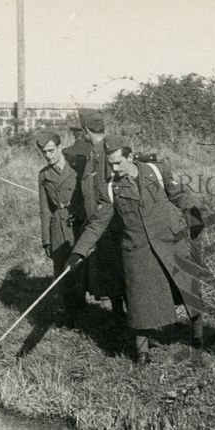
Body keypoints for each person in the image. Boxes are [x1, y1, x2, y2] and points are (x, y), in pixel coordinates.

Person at [65, 136, 207, 367]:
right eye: (111, 164)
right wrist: (78, 252)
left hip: (170, 242)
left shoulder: (157, 171)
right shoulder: (110, 188)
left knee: (189, 291)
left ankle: (198, 339)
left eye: (119, 163)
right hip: (137, 250)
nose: (115, 168)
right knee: (140, 302)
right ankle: (142, 354)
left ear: (130, 157)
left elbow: (180, 195)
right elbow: (98, 223)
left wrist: (195, 220)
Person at [72, 109, 126, 321]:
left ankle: (127, 320)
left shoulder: (106, 152)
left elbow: (112, 190)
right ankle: (118, 315)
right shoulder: (94, 152)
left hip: (110, 225)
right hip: (100, 224)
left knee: (117, 271)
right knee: (108, 272)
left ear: (86, 130)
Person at [36, 130, 85, 322]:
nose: (48, 156)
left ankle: (85, 306)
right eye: (44, 153)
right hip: (57, 225)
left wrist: (80, 213)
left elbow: (87, 194)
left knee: (83, 267)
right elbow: (44, 209)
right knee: (61, 270)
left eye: (51, 151)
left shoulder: (77, 166)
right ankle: (71, 312)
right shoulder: (43, 175)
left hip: (78, 223)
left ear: (59, 147)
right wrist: (46, 240)